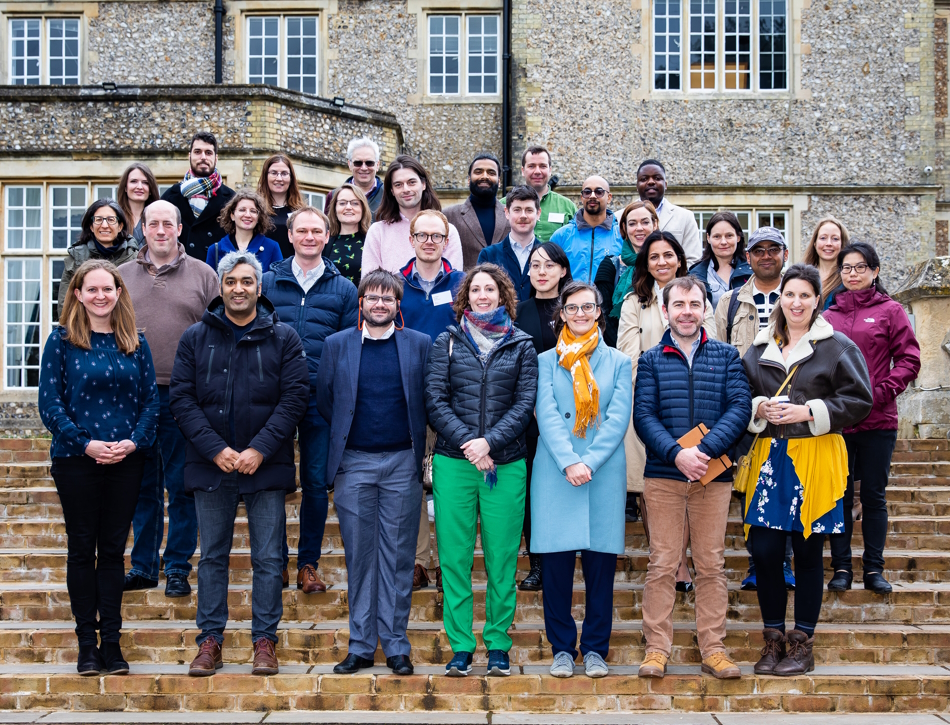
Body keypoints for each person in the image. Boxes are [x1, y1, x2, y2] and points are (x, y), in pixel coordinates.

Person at [171, 251, 309, 677]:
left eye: (247, 282)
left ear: (259, 288)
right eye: (231, 282)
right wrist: (216, 449)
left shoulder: (283, 337)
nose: (239, 289)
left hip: (264, 465)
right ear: (220, 286)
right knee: (212, 555)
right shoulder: (196, 337)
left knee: (269, 558)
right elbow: (182, 398)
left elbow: (295, 398)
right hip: (212, 466)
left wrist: (259, 449)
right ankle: (210, 640)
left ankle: (264, 640)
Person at [740, 264, 872, 676]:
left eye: (805, 296)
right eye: (790, 294)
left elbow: (860, 400)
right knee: (763, 552)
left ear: (818, 300)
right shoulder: (758, 347)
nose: (796, 303)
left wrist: (809, 410)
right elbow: (739, 395)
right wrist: (758, 407)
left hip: (815, 456)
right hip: (768, 458)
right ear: (780, 297)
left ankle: (802, 643)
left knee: (808, 550)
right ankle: (773, 639)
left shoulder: (837, 347)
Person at [39, 260, 159, 676]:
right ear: (78, 295)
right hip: (76, 460)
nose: (101, 296)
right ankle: (86, 645)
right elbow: (50, 405)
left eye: (108, 289)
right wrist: (86, 444)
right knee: (81, 550)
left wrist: (133, 442)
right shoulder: (61, 340)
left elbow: (150, 402)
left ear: (119, 292)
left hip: (127, 460)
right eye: (91, 290)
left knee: (111, 553)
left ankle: (112, 643)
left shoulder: (134, 341)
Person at [315, 270, 432, 676]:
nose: (379, 304)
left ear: (398, 305)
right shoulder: (336, 346)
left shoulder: (419, 345)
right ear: (360, 303)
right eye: (372, 297)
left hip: (403, 462)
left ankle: (397, 645)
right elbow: (327, 401)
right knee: (360, 558)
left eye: (387, 298)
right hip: (355, 463)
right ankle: (361, 646)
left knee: (399, 559)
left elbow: (427, 401)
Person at [633, 276, 750, 681]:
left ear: (705, 309)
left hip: (712, 477)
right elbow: (644, 416)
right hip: (664, 477)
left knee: (711, 564)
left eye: (694, 304)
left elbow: (739, 408)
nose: (686, 311)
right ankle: (656, 650)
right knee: (663, 563)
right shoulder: (650, 359)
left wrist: (703, 451)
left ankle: (713, 649)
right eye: (678, 304)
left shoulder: (726, 356)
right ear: (665, 310)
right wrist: (677, 454)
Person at [425, 263, 538, 677]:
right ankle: (460, 646)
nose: (483, 296)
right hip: (455, 464)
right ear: (466, 296)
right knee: (454, 559)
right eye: (476, 290)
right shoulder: (447, 341)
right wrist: (471, 445)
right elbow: (435, 399)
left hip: (505, 464)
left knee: (502, 559)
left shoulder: (522, 344)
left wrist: (490, 443)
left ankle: (498, 644)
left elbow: (525, 403)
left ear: (503, 295)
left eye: (491, 289)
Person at [119, 200, 220, 597]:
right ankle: (143, 565)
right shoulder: (121, 276)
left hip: (185, 396)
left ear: (180, 229)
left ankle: (177, 565)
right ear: (142, 228)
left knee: (181, 485)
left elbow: (218, 334)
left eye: (168, 223)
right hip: (135, 397)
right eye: (153, 223)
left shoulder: (204, 275)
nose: (160, 230)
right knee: (142, 485)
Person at [532, 282, 631, 679]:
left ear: (599, 311)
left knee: (599, 570)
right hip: (556, 473)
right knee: (555, 570)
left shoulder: (620, 363)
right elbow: (547, 413)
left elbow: (618, 418)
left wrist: (588, 462)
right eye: (571, 308)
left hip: (602, 473)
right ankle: (560, 648)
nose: (580, 314)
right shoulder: (544, 361)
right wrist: (570, 462)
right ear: (561, 313)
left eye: (587, 307)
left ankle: (594, 649)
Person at [261, 207, 359, 592]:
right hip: (272, 397)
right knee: (272, 482)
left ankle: (307, 564)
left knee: (316, 484)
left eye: (317, 231)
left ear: (327, 236)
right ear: (290, 235)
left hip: (322, 397)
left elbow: (351, 346)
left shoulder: (344, 288)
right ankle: (275, 562)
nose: (309, 237)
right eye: (302, 230)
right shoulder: (268, 282)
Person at [617, 231, 715, 591]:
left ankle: (684, 561)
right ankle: (669, 560)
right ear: (646, 263)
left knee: (688, 481)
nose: (661, 262)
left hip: (693, 403)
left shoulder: (699, 297)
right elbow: (627, 354)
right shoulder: (634, 303)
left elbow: (713, 343)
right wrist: (654, 383)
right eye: (654, 256)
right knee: (651, 485)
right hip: (648, 405)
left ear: (679, 258)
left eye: (668, 255)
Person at [824, 243, 921, 593]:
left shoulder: (890, 311)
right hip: (837, 423)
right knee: (839, 495)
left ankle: (874, 570)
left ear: (875, 271)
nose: (852, 273)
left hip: (878, 421)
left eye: (860, 267)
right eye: (846, 268)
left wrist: (879, 394)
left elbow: (909, 360)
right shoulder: (828, 316)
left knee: (875, 496)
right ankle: (842, 568)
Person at [714, 226, 794, 592]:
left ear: (784, 255)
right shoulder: (729, 301)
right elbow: (715, 352)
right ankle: (756, 563)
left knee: (788, 485)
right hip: (743, 405)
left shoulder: (798, 298)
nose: (765, 255)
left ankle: (785, 564)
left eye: (772, 249)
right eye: (758, 250)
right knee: (751, 488)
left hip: (791, 406)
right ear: (748, 257)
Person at [398, 210, 466, 592]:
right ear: (411, 240)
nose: (428, 241)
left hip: (452, 397)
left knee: (449, 484)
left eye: (436, 236)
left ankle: (447, 564)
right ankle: (419, 561)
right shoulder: (394, 284)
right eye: (421, 235)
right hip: (406, 395)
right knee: (411, 482)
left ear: (445, 242)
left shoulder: (463, 285)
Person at [514, 241, 572, 591]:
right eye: (535, 265)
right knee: (535, 490)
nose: (541, 272)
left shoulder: (578, 309)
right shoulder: (517, 312)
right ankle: (537, 563)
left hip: (573, 414)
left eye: (549, 265)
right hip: (530, 416)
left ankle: (566, 554)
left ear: (563, 270)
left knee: (568, 488)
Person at [361, 155, 463, 275]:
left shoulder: (447, 231)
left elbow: (454, 284)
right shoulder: (378, 232)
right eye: (398, 185)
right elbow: (369, 285)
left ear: (423, 184)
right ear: (392, 191)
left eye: (412, 182)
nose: (406, 189)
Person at [161, 131, 235, 261]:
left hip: (216, 270)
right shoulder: (170, 197)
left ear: (216, 158)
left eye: (208, 153)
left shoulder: (231, 199)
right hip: (179, 270)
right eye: (197, 152)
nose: (203, 157)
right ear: (189, 156)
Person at [595, 199, 658, 347]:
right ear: (624, 227)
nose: (639, 228)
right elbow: (604, 317)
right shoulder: (610, 266)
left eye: (645, 222)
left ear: (654, 225)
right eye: (632, 223)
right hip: (621, 348)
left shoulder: (666, 265)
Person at [59, 200, 139, 310]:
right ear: (91, 226)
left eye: (111, 220)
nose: (105, 225)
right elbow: (65, 304)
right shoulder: (76, 258)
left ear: (120, 226)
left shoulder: (135, 258)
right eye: (99, 220)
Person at [549, 176, 623, 284]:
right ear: (582, 197)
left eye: (599, 192)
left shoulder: (621, 236)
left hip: (609, 300)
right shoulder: (561, 236)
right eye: (587, 192)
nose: (592, 196)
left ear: (609, 197)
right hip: (569, 300)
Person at [445, 153, 511, 270]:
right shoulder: (448, 216)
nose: (484, 176)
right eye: (478, 172)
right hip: (464, 286)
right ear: (469, 179)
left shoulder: (511, 215)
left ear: (499, 181)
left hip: (505, 286)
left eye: (491, 173)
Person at [477, 185, 541, 301]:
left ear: (538, 213)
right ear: (507, 213)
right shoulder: (489, 255)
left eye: (529, 210)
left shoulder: (548, 255)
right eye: (517, 210)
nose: (523, 216)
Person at [635, 160, 702, 266]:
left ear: (665, 184)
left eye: (657, 178)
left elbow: (693, 260)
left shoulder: (685, 217)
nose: (651, 182)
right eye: (644, 179)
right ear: (637, 185)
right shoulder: (620, 217)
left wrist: (672, 280)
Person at [507, 146, 576, 242]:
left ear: (550, 170)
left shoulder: (568, 206)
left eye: (543, 166)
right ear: (523, 171)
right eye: (531, 166)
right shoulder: (505, 204)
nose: (537, 171)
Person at [205, 190, 283, 273]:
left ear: (258, 217)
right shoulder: (215, 250)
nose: (248, 215)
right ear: (232, 215)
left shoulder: (272, 247)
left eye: (253, 211)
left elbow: (278, 282)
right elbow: (210, 284)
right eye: (242, 210)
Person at [688, 211, 752, 309]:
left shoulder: (752, 271)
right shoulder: (695, 275)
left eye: (729, 236)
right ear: (708, 238)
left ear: (738, 237)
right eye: (717, 236)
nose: (723, 242)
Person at [257, 154, 305, 259]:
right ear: (266, 176)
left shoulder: (301, 212)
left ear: (291, 178)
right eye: (274, 173)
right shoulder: (256, 209)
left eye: (284, 174)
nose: (279, 178)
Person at [324, 183, 372, 288]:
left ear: (363, 208)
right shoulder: (324, 241)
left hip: (361, 302)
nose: (348, 207)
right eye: (342, 203)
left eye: (355, 203)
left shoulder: (372, 240)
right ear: (335, 209)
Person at [324, 137, 385, 218]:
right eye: (358, 163)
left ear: (377, 165)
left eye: (369, 163)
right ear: (350, 165)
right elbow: (327, 228)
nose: (363, 168)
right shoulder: (333, 196)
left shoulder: (390, 195)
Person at [804, 215, 850, 309]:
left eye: (835, 239)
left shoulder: (848, 278)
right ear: (815, 243)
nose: (828, 243)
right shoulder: (802, 276)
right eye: (823, 238)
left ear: (842, 244)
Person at [117, 162, 160, 244]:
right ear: (125, 187)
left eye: (145, 182)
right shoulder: (114, 219)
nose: (140, 187)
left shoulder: (161, 218)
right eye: (134, 181)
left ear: (150, 189)